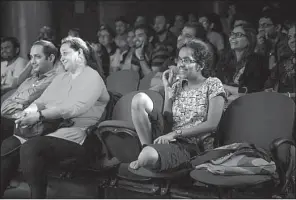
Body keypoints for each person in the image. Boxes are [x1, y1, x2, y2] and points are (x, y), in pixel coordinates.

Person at [0, 36, 110, 198]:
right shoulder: (63, 77)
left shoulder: (92, 77)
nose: (62, 58)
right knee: (10, 143)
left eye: (65, 53)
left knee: (31, 147)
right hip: (54, 130)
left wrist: (39, 116)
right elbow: (42, 101)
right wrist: (28, 112)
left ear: (79, 53)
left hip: (81, 136)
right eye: (61, 53)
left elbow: (74, 108)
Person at [129, 39, 226, 172]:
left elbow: (212, 124)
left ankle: (148, 154)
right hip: (169, 139)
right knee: (139, 99)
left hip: (192, 145)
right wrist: (168, 89)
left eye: (186, 60)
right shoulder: (177, 86)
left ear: (201, 65)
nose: (180, 64)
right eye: (179, 59)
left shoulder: (213, 84)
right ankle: (146, 148)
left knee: (146, 158)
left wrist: (175, 134)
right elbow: (167, 121)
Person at [1, 40, 59, 142]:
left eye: (37, 57)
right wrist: (24, 111)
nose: (32, 61)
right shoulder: (29, 80)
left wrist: (16, 102)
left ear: (50, 58)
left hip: (38, 134)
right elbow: (5, 106)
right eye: (31, 57)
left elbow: (29, 97)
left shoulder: (56, 79)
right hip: (20, 129)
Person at [216, 23, 270, 104]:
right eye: (232, 34)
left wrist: (225, 87)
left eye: (238, 35)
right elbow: (216, 84)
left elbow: (251, 91)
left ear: (249, 39)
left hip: (249, 104)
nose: (233, 37)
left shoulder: (258, 60)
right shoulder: (224, 60)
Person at [265, 22, 295, 100]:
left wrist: (287, 95)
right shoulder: (284, 62)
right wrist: (268, 90)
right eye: (289, 37)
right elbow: (269, 83)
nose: (292, 41)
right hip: (284, 107)